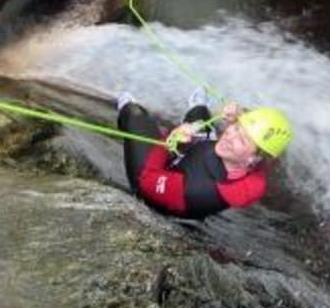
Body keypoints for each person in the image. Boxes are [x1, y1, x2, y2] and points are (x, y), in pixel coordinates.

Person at [116, 89, 293, 219]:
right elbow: (263, 157)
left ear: (253, 158)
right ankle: (198, 109)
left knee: (135, 115)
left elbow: (148, 180)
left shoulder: (198, 192)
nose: (230, 136)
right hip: (197, 159)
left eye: (242, 140)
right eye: (236, 127)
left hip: (158, 186)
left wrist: (171, 140)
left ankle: (124, 105)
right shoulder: (251, 163)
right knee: (200, 116)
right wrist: (240, 115)